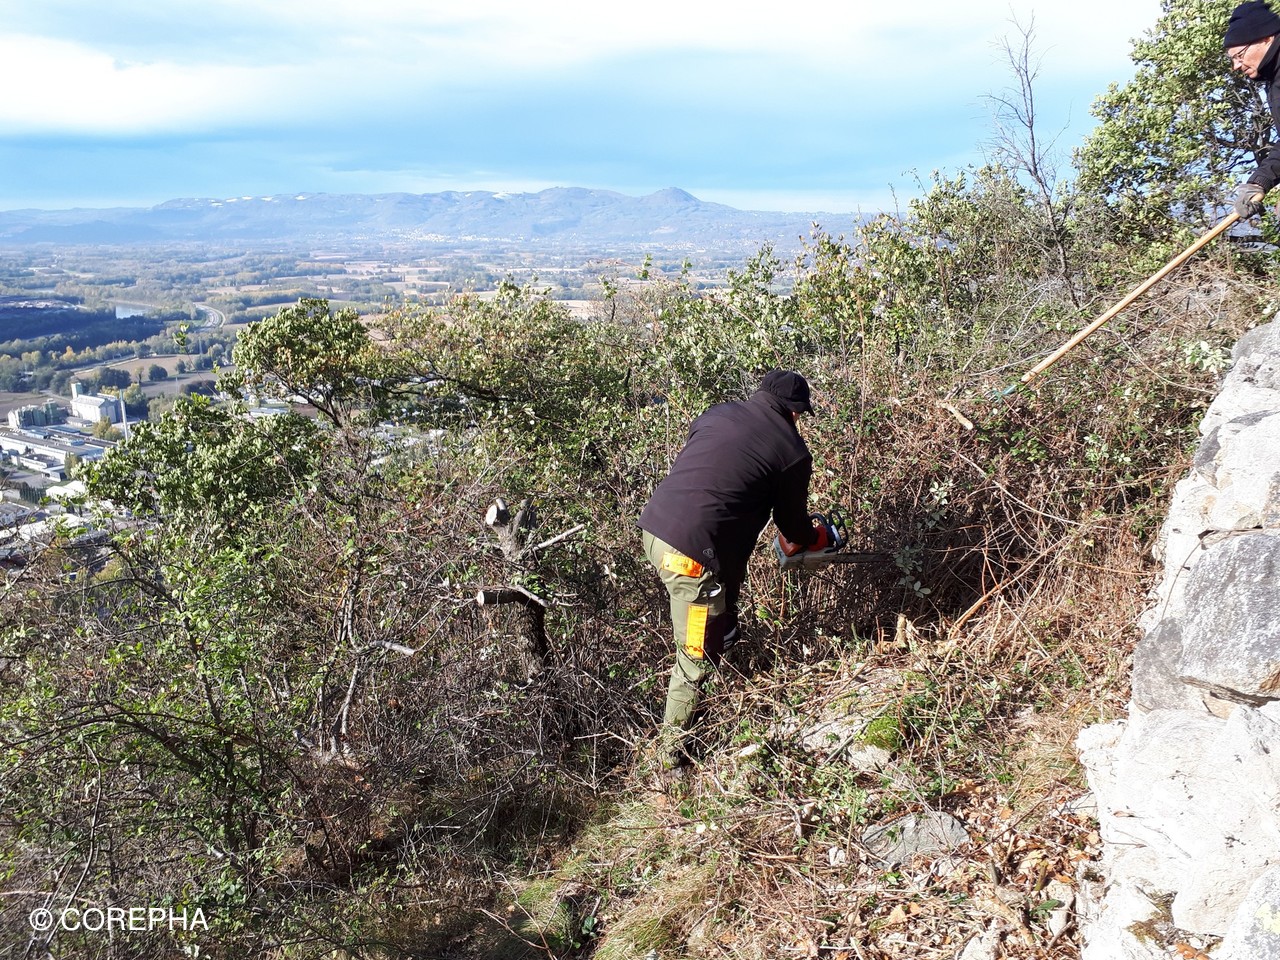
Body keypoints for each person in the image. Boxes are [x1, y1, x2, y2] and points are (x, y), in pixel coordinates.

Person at [638, 369, 832, 768]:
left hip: (654, 531)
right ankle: (668, 761)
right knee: (696, 657)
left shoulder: (717, 413)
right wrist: (815, 537)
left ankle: (705, 711)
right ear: (795, 411)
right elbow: (793, 527)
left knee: (720, 624)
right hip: (691, 560)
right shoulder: (792, 451)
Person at [1226, 1, 1280, 219]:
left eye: (1239, 56)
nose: (1236, 66)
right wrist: (1259, 182)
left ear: (1266, 38)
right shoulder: (1274, 79)